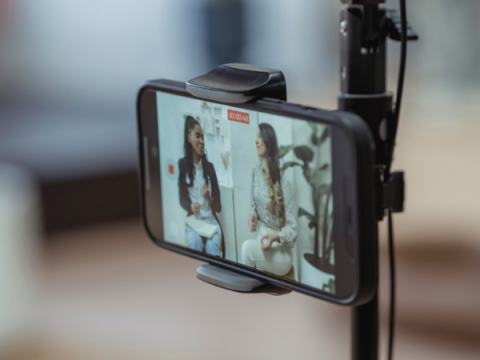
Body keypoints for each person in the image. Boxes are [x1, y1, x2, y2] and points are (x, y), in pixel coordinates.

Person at [241, 123, 297, 276]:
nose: (256, 141)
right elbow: (253, 205)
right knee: (249, 254)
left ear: (269, 141)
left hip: (280, 252)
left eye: (260, 136)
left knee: (246, 249)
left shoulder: (283, 179)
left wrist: (275, 237)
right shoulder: (255, 172)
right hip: (262, 241)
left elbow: (293, 230)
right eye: (256, 136)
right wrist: (252, 218)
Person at [178, 116, 222, 257]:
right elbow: (182, 199)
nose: (202, 141)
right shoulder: (182, 166)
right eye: (198, 136)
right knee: (194, 244)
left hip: (211, 222)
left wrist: (209, 199)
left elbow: (218, 207)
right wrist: (190, 207)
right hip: (194, 223)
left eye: (203, 137)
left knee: (212, 246)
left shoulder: (209, 168)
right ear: (189, 138)